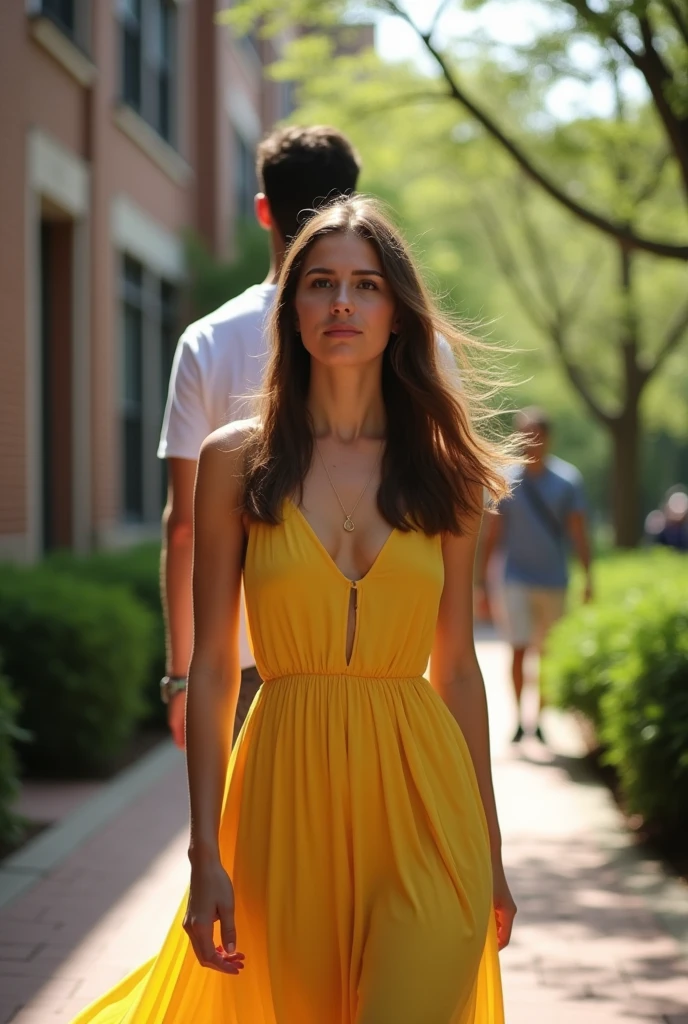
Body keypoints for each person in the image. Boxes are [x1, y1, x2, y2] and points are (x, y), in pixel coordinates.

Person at [71, 196, 516, 1023]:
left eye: (365, 285)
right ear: (292, 310)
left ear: (397, 316)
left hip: (425, 802)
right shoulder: (235, 460)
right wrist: (205, 855)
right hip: (285, 796)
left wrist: (489, 849)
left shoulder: (450, 473)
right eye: (319, 283)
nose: (342, 302)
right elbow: (210, 671)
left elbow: (457, 667)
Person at [158, 125, 362, 747]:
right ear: (354, 205)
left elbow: (187, 525)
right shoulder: (411, 339)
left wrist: (180, 676)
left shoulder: (209, 339)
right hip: (381, 657)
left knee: (252, 838)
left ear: (263, 210)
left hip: (245, 661)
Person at [477, 407, 592, 744]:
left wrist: (588, 578)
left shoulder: (567, 481)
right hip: (515, 578)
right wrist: (483, 582)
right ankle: (518, 720)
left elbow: (578, 533)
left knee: (547, 654)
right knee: (518, 649)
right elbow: (493, 534)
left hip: (555, 580)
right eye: (526, 433)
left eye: (538, 434)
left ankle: (538, 719)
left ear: (548, 437)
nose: (532, 441)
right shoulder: (506, 478)